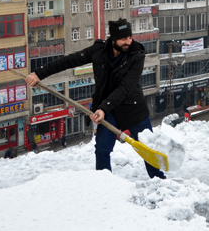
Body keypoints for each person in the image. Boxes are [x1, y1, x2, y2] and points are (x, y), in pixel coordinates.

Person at [25, 19, 165, 179]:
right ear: (113, 39)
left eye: (130, 37)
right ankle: (103, 183)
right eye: (123, 39)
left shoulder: (136, 54)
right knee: (102, 149)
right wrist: (39, 73)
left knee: (147, 148)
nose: (128, 42)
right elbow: (69, 61)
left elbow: (126, 87)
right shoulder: (99, 51)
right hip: (109, 111)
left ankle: (158, 181)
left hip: (133, 108)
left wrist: (102, 108)